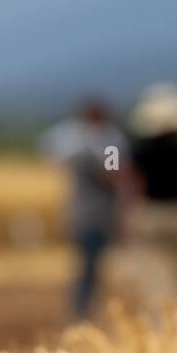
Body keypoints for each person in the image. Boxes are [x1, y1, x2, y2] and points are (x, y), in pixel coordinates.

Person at [39, 98, 129, 318]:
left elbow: (112, 173)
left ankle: (85, 308)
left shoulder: (96, 139)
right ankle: (84, 309)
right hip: (90, 214)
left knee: (92, 264)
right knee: (90, 264)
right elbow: (113, 174)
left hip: (92, 213)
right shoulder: (99, 140)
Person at [129, 83, 177, 300]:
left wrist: (131, 214)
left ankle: (159, 325)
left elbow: (135, 185)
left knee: (155, 274)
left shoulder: (141, 150)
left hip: (151, 213)